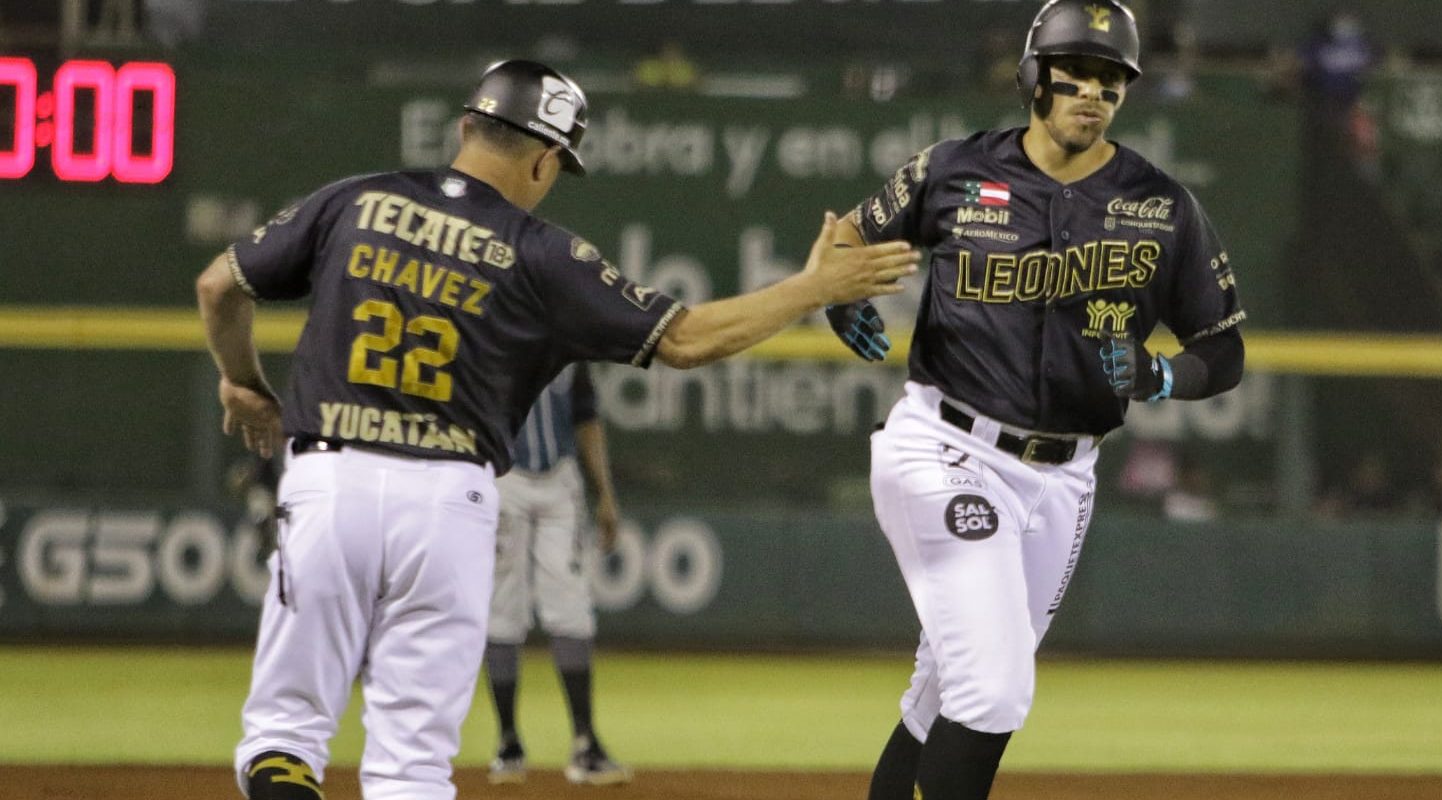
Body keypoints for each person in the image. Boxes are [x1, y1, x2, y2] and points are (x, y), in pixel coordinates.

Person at [196, 59, 919, 800]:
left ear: (465, 127)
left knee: (285, 737)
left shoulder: (358, 199)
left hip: (330, 480)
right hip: (449, 503)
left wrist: (244, 384)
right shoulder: (545, 255)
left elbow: (220, 285)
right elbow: (687, 339)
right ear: (545, 159)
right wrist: (811, 287)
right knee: (410, 765)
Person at [823, 3, 1246, 798]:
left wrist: (1165, 377)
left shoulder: (1162, 206)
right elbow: (849, 236)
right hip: (946, 446)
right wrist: (843, 298)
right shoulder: (953, 169)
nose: (1093, 92)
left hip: (1064, 479)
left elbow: (1223, 350)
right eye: (1076, 73)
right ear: (1033, 77)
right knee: (998, 686)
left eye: (1111, 79)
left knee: (946, 689)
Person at [484, 362, 631, 786]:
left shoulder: (570, 343)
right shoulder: (491, 330)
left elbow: (587, 418)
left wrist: (605, 493)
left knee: (571, 608)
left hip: (559, 482)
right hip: (501, 477)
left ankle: (585, 743)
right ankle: (508, 742)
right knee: (501, 609)